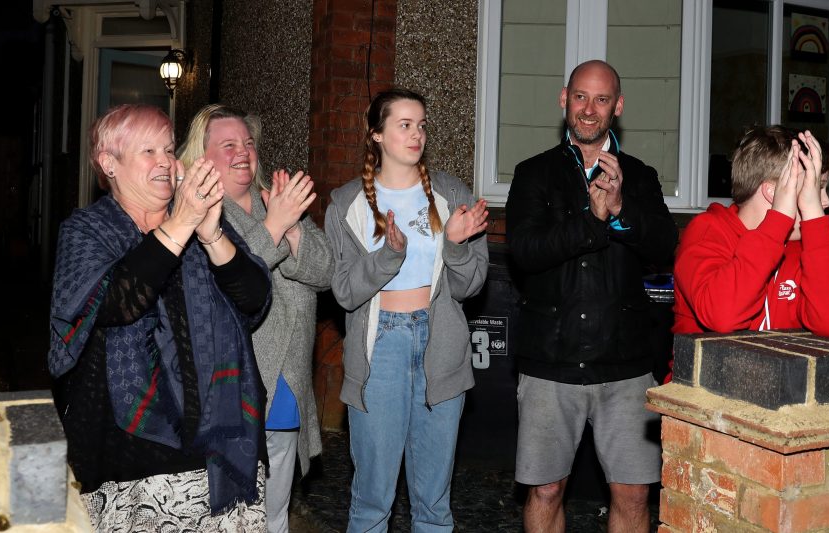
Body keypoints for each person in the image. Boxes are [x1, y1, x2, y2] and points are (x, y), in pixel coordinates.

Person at [48, 104, 270, 531]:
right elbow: (118, 302)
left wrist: (211, 235)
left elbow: (255, 298)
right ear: (109, 164)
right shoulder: (87, 230)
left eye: (168, 150)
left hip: (218, 445)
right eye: (148, 151)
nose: (166, 162)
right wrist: (183, 223)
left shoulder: (200, 224)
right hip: (129, 450)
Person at [506, 60, 678, 533]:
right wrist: (591, 222)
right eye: (581, 97)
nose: (589, 109)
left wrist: (620, 207)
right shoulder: (534, 173)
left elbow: (665, 247)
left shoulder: (640, 176)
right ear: (564, 99)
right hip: (550, 360)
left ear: (617, 107)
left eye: (602, 99)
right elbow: (524, 252)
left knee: (633, 492)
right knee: (545, 490)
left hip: (624, 362)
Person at [324, 87, 489, 532]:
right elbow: (343, 291)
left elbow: (471, 285)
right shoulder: (346, 205)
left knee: (434, 502)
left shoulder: (452, 194)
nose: (416, 134)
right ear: (375, 133)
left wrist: (454, 245)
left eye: (421, 125)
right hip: (381, 350)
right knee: (372, 499)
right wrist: (387, 257)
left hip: (441, 345)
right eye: (404, 125)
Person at [178, 104, 333, 533]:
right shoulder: (197, 215)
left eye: (248, 142)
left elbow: (326, 272)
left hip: (287, 385)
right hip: (232, 388)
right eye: (228, 145)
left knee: (275, 515)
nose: (243, 151)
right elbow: (233, 283)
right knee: (229, 517)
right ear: (202, 157)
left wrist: (291, 225)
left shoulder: (276, 200)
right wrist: (277, 225)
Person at [672, 125, 829, 337]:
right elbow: (722, 317)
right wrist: (777, 222)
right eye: (816, 187)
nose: (824, 201)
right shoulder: (708, 231)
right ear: (773, 191)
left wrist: (815, 220)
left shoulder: (809, 248)